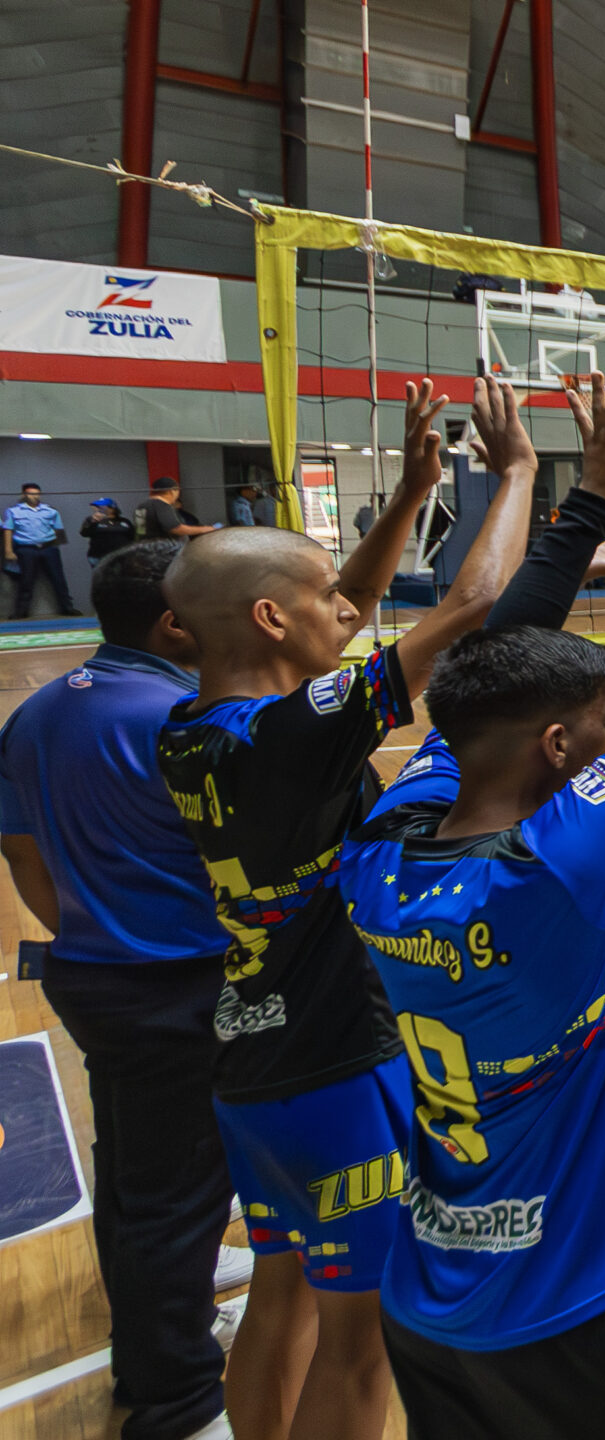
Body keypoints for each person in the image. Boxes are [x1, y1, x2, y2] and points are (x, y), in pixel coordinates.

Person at [342, 369, 605, 1438]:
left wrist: (590, 499)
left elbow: (483, 676)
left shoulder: (384, 841)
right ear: (561, 747)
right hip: (588, 1297)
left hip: (432, 1304)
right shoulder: (559, 867)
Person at [155, 378, 541, 1440]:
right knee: (362, 1346)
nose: (350, 608)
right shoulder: (293, 737)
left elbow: (335, 616)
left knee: (277, 1301)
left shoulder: (191, 730)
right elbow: (473, 606)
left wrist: (411, 494)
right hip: (336, 1068)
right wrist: (514, 473)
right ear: (271, 620)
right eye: (327, 595)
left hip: (251, 1067)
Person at [0, 541, 242, 1440]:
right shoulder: (182, 715)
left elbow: (23, 854)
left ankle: (170, 1307)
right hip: (176, 981)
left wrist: (94, 928)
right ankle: (179, 1395)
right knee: (174, 1187)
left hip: (97, 974)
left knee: (140, 1170)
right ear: (176, 623)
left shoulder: (39, 709)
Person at [6, 482, 78, 618]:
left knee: (58, 579)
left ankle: (67, 608)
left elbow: (58, 531)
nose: (35, 497)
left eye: (37, 494)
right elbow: (8, 530)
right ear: (24, 495)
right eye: (31, 494)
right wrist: (8, 550)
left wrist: (52, 545)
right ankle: (21, 611)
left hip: (48, 548)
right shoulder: (14, 511)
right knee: (26, 580)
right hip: (26, 549)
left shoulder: (50, 511)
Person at [140, 476, 217, 541]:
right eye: (177, 491)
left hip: (145, 547)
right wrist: (206, 529)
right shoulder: (161, 505)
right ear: (171, 491)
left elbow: (140, 531)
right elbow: (176, 529)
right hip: (164, 549)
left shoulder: (142, 506)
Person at [83, 496, 138, 565]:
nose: (99, 509)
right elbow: (84, 533)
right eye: (98, 507)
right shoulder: (93, 520)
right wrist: (92, 521)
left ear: (112, 509)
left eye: (102, 507)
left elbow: (132, 537)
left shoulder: (124, 521)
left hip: (120, 556)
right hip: (98, 556)